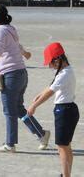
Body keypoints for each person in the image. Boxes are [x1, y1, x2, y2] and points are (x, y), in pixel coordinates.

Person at [0, 4, 50, 153]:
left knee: (9, 111)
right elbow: (15, 45)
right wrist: (25, 53)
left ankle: (10, 144)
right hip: (21, 73)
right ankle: (42, 134)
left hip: (10, 75)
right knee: (18, 109)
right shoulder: (10, 28)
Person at [27, 43, 79, 177]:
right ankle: (66, 174)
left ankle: (66, 175)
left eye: (51, 63)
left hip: (64, 111)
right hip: (69, 109)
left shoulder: (64, 74)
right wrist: (39, 94)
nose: (50, 66)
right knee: (66, 146)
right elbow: (51, 85)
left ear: (58, 59)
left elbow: (50, 92)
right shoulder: (64, 71)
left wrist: (34, 106)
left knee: (62, 147)